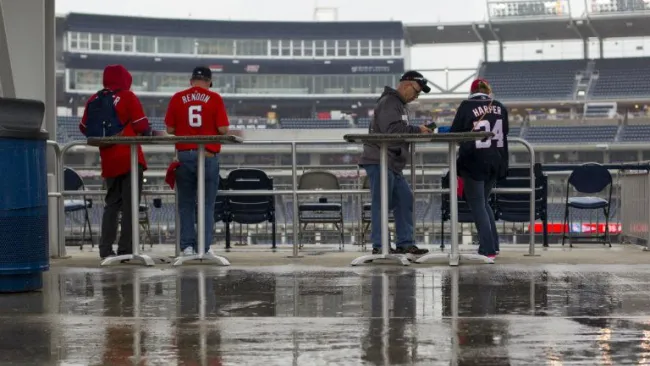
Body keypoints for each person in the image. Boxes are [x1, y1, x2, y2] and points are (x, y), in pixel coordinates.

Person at [79, 64, 151, 260]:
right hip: (129, 158)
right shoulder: (127, 96)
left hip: (109, 160)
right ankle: (126, 250)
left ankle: (105, 249)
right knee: (130, 206)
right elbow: (141, 125)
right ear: (125, 79)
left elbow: (84, 128)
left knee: (111, 205)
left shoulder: (94, 99)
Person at [358, 70, 432, 256]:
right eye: (416, 91)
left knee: (405, 198)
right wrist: (417, 130)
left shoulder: (398, 104)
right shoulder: (390, 102)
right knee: (381, 202)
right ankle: (380, 245)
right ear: (407, 85)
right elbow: (392, 130)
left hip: (392, 162)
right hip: (380, 159)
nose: (416, 96)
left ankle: (405, 243)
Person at [165, 66, 230, 256]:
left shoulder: (178, 97)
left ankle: (187, 247)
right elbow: (224, 129)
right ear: (209, 82)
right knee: (207, 205)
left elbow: (169, 129)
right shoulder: (215, 98)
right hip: (207, 156)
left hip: (185, 155)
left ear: (190, 80)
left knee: (185, 204)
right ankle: (204, 247)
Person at [450, 78, 509, 259]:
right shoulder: (499, 106)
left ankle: (487, 249)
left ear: (471, 90)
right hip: (496, 160)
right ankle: (494, 245)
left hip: (474, 161)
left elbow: (455, 133)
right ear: (487, 90)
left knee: (477, 204)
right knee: (483, 203)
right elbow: (505, 130)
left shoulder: (466, 105)